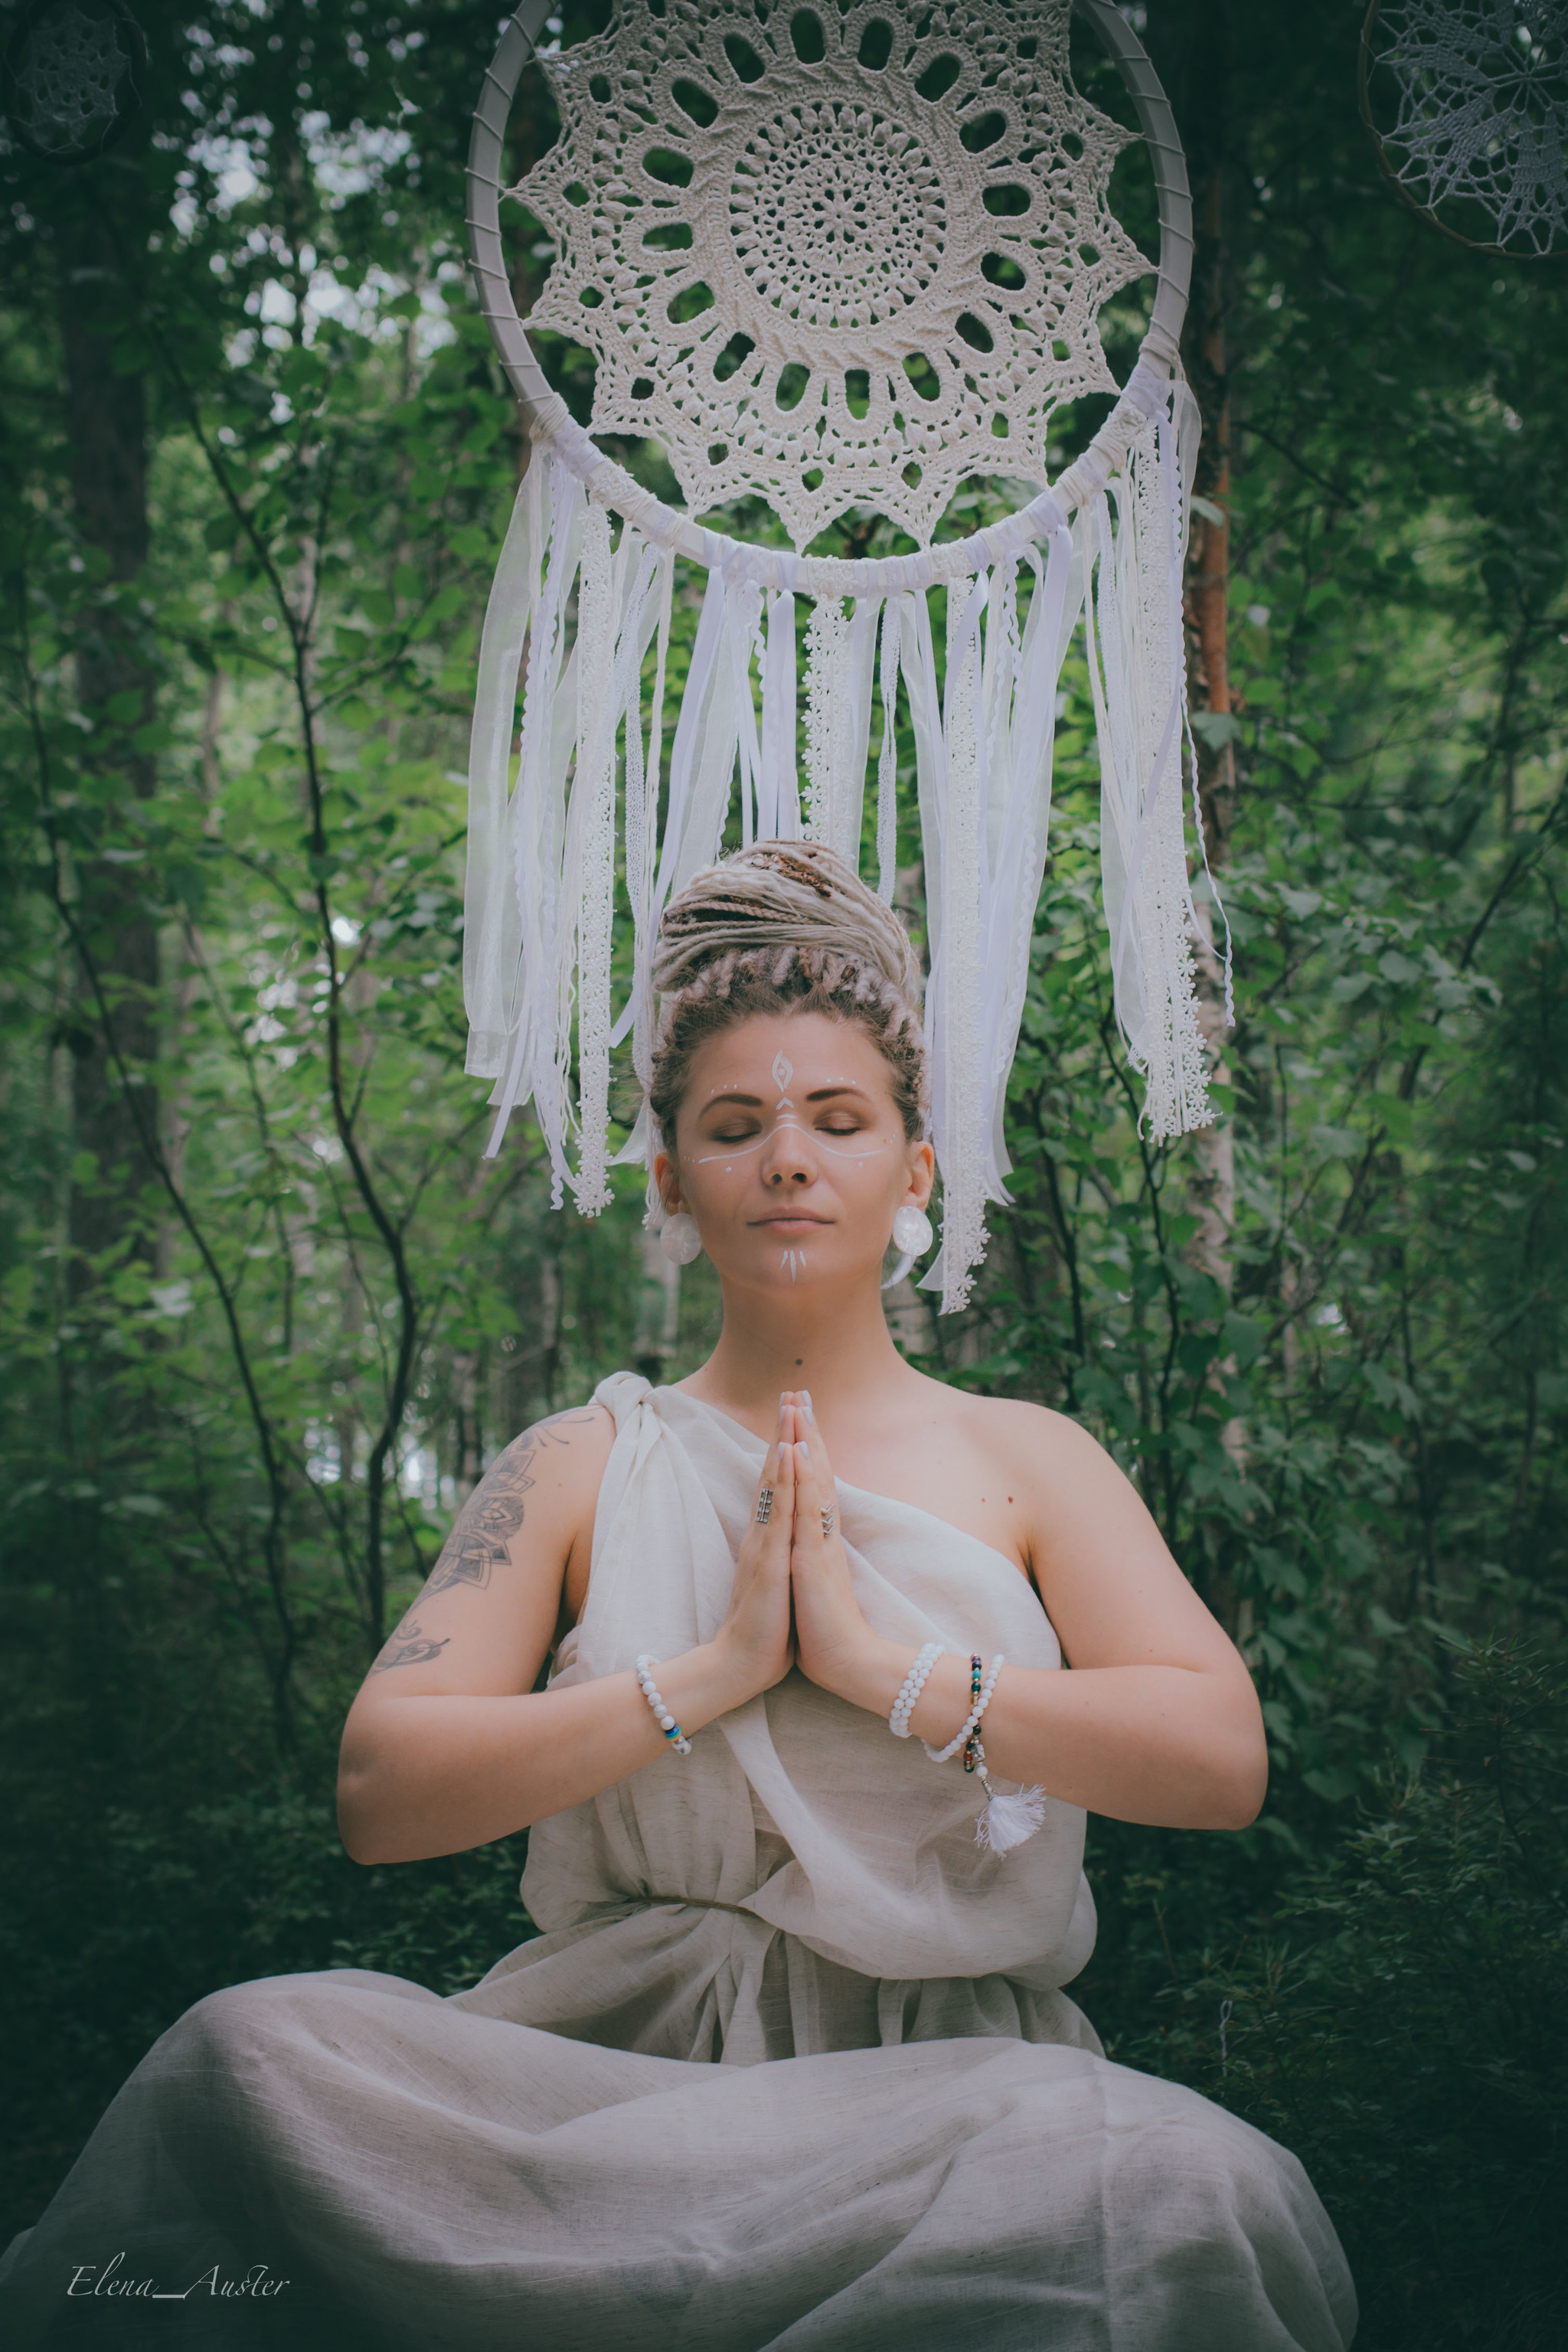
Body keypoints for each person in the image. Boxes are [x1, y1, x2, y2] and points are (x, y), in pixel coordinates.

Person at [1, 841, 1356, 2350]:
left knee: (1173, 2188)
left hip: (956, 2102)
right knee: (239, 2057)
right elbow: (384, 1790)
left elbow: (1220, 1763)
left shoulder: (1029, 1458)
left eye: (838, 1120)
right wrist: (711, 1671)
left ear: (914, 1166)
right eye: (735, 1123)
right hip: (596, 2072)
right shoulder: (580, 1462)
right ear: (669, 1177)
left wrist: (875, 1669)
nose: (787, 1158)